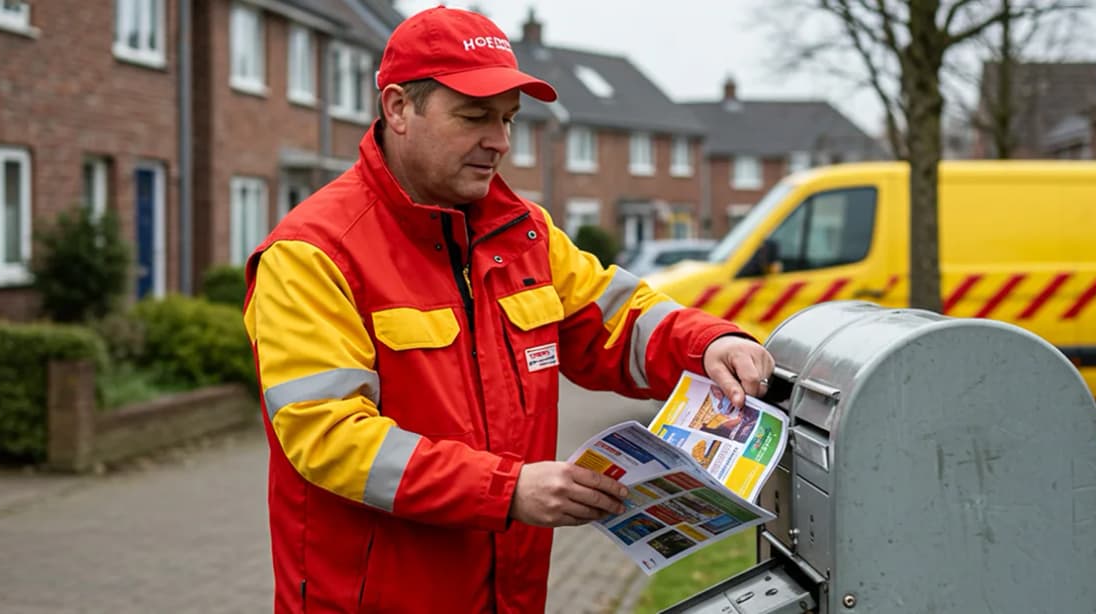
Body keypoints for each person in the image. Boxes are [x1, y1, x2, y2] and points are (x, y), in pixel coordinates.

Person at [239, 7, 775, 613]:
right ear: (397, 109)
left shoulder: (525, 233)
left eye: (508, 120)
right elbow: (328, 436)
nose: (499, 141)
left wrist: (709, 344)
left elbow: (619, 322)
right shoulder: (312, 253)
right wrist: (506, 490)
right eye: (474, 117)